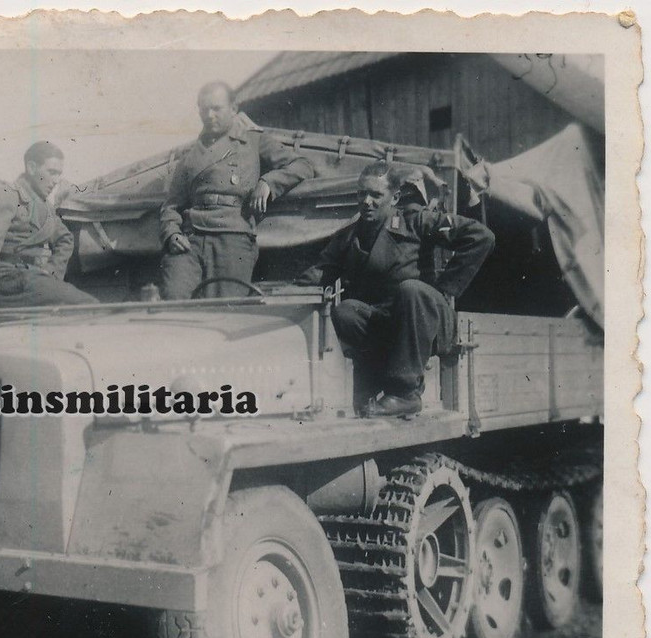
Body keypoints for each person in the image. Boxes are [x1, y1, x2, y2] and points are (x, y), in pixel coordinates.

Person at [295, 160, 495, 418]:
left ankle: (405, 393)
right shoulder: (349, 236)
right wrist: (289, 288)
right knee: (346, 310)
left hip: (425, 322)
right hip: (387, 325)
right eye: (361, 194)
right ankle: (374, 384)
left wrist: (446, 289)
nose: (366, 201)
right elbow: (322, 271)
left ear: (395, 197)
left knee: (410, 290)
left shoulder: (415, 221)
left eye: (376, 195)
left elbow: (481, 236)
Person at [158, 81, 315, 300]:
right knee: (174, 302)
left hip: (232, 238)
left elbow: (302, 165)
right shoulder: (190, 155)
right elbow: (171, 206)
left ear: (233, 108)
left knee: (225, 308)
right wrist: (172, 234)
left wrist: (268, 182)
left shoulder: (253, 140)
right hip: (190, 239)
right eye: (204, 109)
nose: (209, 115)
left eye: (216, 108)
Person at [0, 141, 96, 308]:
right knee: (86, 304)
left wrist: (50, 272)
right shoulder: (7, 195)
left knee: (85, 304)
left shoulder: (47, 208)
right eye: (51, 172)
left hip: (32, 277)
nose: (56, 180)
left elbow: (65, 239)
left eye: (59, 174)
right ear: (31, 168)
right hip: (7, 278)